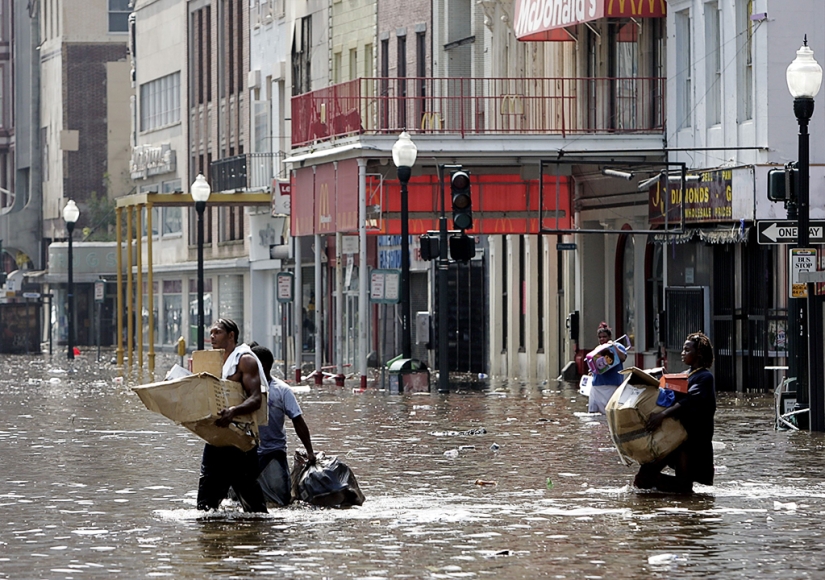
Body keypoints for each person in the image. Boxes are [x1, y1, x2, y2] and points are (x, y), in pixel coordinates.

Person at [196, 318, 268, 513]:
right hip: (217, 436)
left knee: (251, 503)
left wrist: (233, 412)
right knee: (205, 503)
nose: (212, 336)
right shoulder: (215, 361)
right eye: (211, 333)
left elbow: (256, 399)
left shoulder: (245, 359)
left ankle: (257, 538)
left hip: (240, 439)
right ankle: (210, 538)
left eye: (217, 332)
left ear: (231, 336)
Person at [633, 332, 716, 494]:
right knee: (644, 477)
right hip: (674, 436)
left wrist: (662, 416)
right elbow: (671, 395)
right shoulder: (686, 374)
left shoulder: (705, 377)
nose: (682, 353)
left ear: (698, 353)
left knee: (683, 485)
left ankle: (684, 511)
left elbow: (689, 400)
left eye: (687, 350)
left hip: (690, 440)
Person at [250, 343, 316, 506]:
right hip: (247, 453)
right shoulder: (242, 388)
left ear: (262, 365)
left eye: (251, 362)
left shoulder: (282, 390)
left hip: (273, 453)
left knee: (282, 501)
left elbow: (298, 420)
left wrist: (310, 451)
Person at [587, 322, 628, 413]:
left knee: (609, 412)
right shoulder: (597, 349)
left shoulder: (618, 346)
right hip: (597, 385)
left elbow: (623, 358)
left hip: (611, 385)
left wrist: (612, 346)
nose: (602, 339)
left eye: (604, 337)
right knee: (593, 413)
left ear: (609, 337)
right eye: (600, 337)